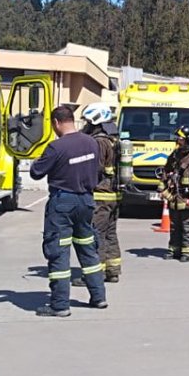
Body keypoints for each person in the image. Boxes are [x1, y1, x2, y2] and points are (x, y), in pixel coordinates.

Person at [28, 106, 107, 316]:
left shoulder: (56, 147)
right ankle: (99, 297)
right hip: (86, 202)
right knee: (88, 249)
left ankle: (60, 305)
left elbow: (36, 172)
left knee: (59, 252)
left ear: (55, 123)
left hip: (63, 203)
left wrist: (38, 161)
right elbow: (97, 171)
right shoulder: (92, 143)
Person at [75, 102, 123, 285]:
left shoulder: (99, 142)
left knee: (97, 235)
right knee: (110, 234)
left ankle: (95, 274)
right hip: (113, 195)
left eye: (88, 122)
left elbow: (94, 169)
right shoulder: (113, 139)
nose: (86, 125)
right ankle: (112, 270)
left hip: (101, 195)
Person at [158, 125, 189, 262]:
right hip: (175, 197)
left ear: (188, 140)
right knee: (175, 226)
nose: (177, 141)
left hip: (188, 198)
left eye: (180, 138)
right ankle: (174, 249)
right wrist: (162, 187)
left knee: (188, 226)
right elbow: (166, 171)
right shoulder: (175, 154)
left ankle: (188, 251)